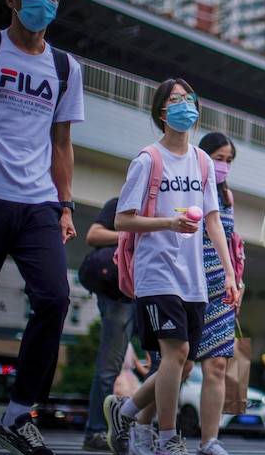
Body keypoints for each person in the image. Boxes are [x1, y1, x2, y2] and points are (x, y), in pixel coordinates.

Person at [0, 0, 85, 455]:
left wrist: (66, 204)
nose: (46, 0)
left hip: (37, 201)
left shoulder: (63, 67)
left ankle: (17, 416)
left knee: (55, 297)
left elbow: (62, 145)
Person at [103, 79, 238, 455]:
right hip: (157, 272)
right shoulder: (148, 159)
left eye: (189, 99)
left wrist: (228, 273)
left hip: (192, 278)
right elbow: (123, 220)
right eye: (175, 100)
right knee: (175, 355)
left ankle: (125, 412)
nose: (185, 105)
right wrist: (168, 224)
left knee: (183, 365)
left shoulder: (203, 161)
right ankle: (167, 440)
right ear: (162, 111)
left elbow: (213, 220)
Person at [190, 132, 245, 455]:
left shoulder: (228, 196)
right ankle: (137, 419)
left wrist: (237, 281)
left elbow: (232, 243)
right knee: (178, 365)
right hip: (187, 283)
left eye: (228, 161)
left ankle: (209, 442)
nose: (223, 166)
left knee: (218, 367)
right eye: (218, 158)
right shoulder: (189, 187)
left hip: (222, 289)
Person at [83, 197, 139, 452]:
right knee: (110, 366)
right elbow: (93, 235)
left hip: (156, 290)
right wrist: (132, 234)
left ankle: (143, 429)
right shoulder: (122, 203)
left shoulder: (173, 205)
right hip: (121, 295)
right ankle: (96, 431)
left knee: (164, 363)